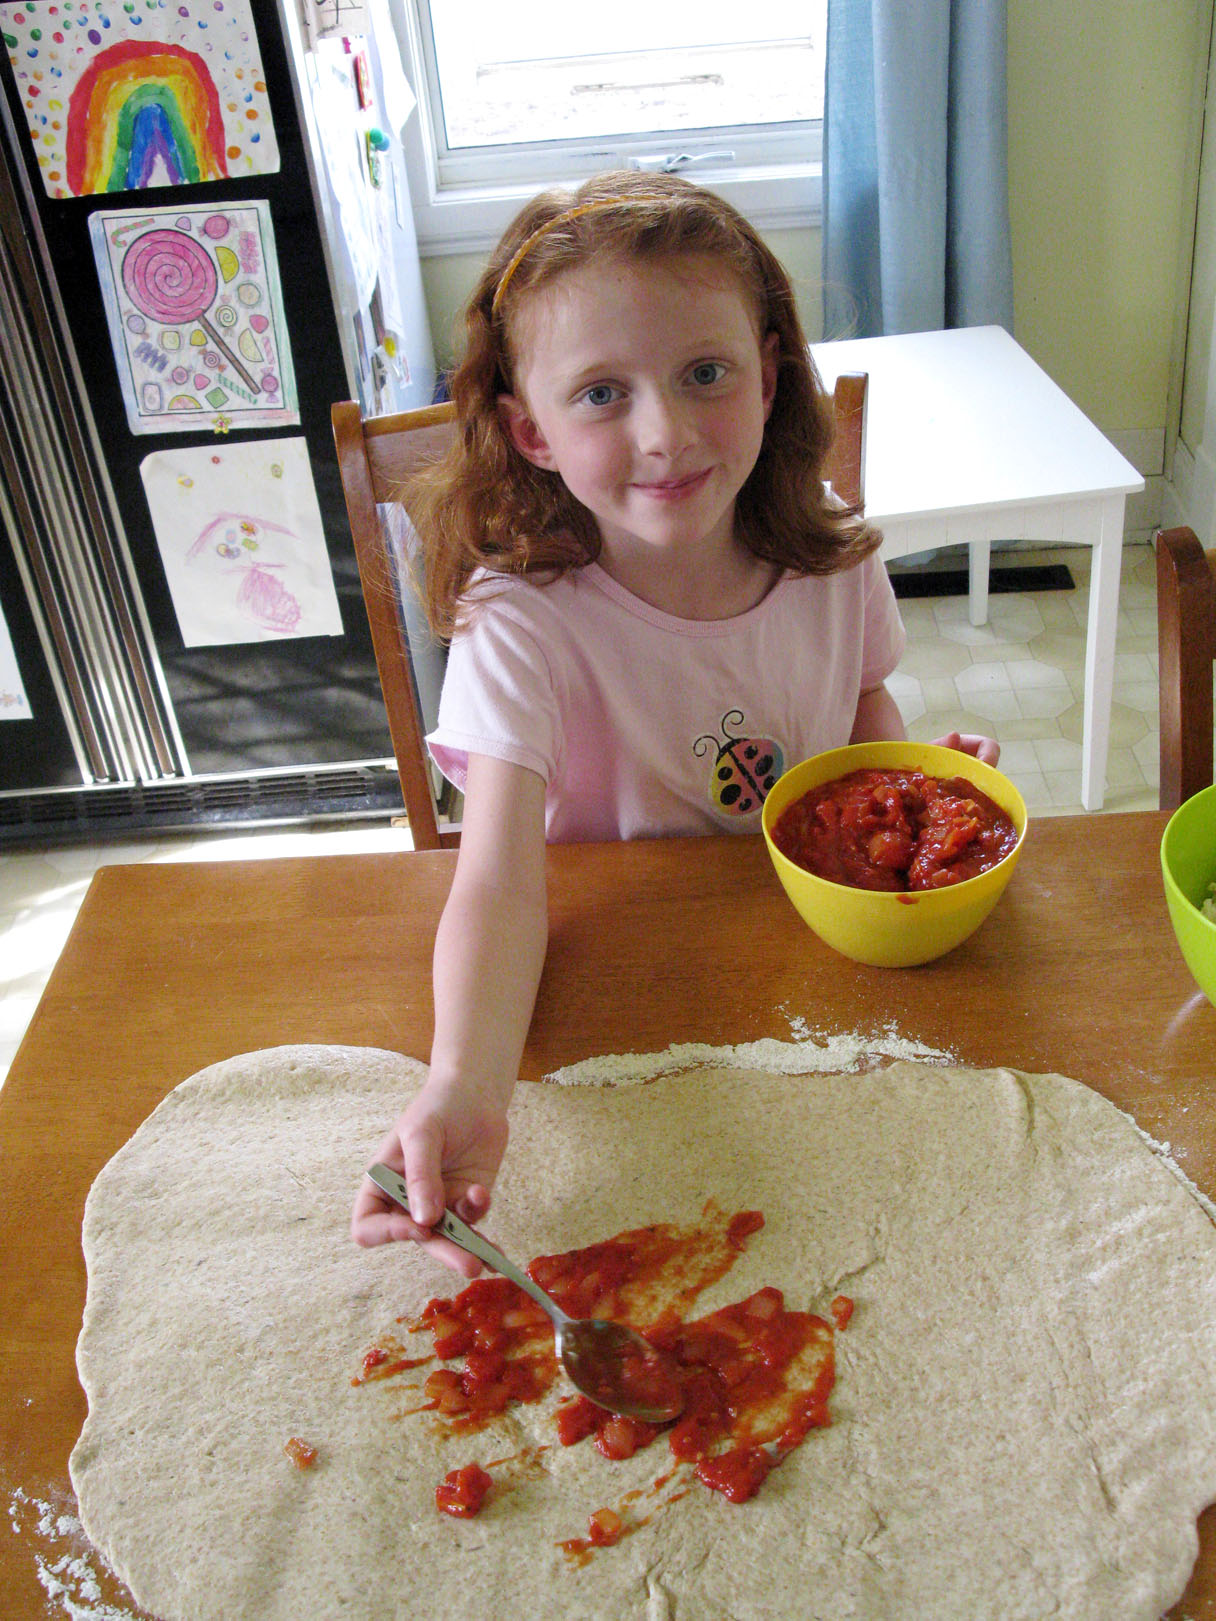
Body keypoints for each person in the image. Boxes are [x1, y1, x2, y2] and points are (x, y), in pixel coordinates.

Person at [350, 171, 999, 1275]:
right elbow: (497, 885)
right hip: (617, 997)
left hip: (811, 979)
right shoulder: (522, 621)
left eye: (706, 373)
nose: (667, 432)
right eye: (602, 393)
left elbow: (860, 709)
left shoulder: (830, 550)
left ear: (768, 378)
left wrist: (906, 791)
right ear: (532, 431)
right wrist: (464, 1083)